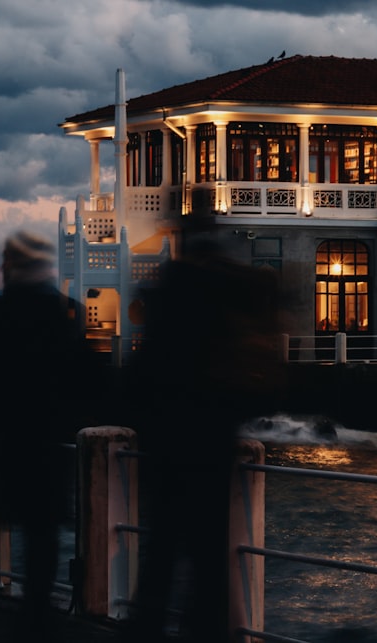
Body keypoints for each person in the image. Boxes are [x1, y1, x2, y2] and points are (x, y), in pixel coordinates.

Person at [121, 242, 283, 642]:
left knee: (161, 556)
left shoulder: (171, 294)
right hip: (210, 446)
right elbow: (254, 379)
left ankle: (151, 629)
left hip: (167, 447)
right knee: (208, 560)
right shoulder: (223, 295)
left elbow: (138, 380)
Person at [0, 230, 91, 640]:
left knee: (25, 535)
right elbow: (85, 378)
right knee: (44, 539)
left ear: (13, 265)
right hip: (48, 443)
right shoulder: (62, 312)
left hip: (14, 444)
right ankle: (40, 615)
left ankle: (30, 615)